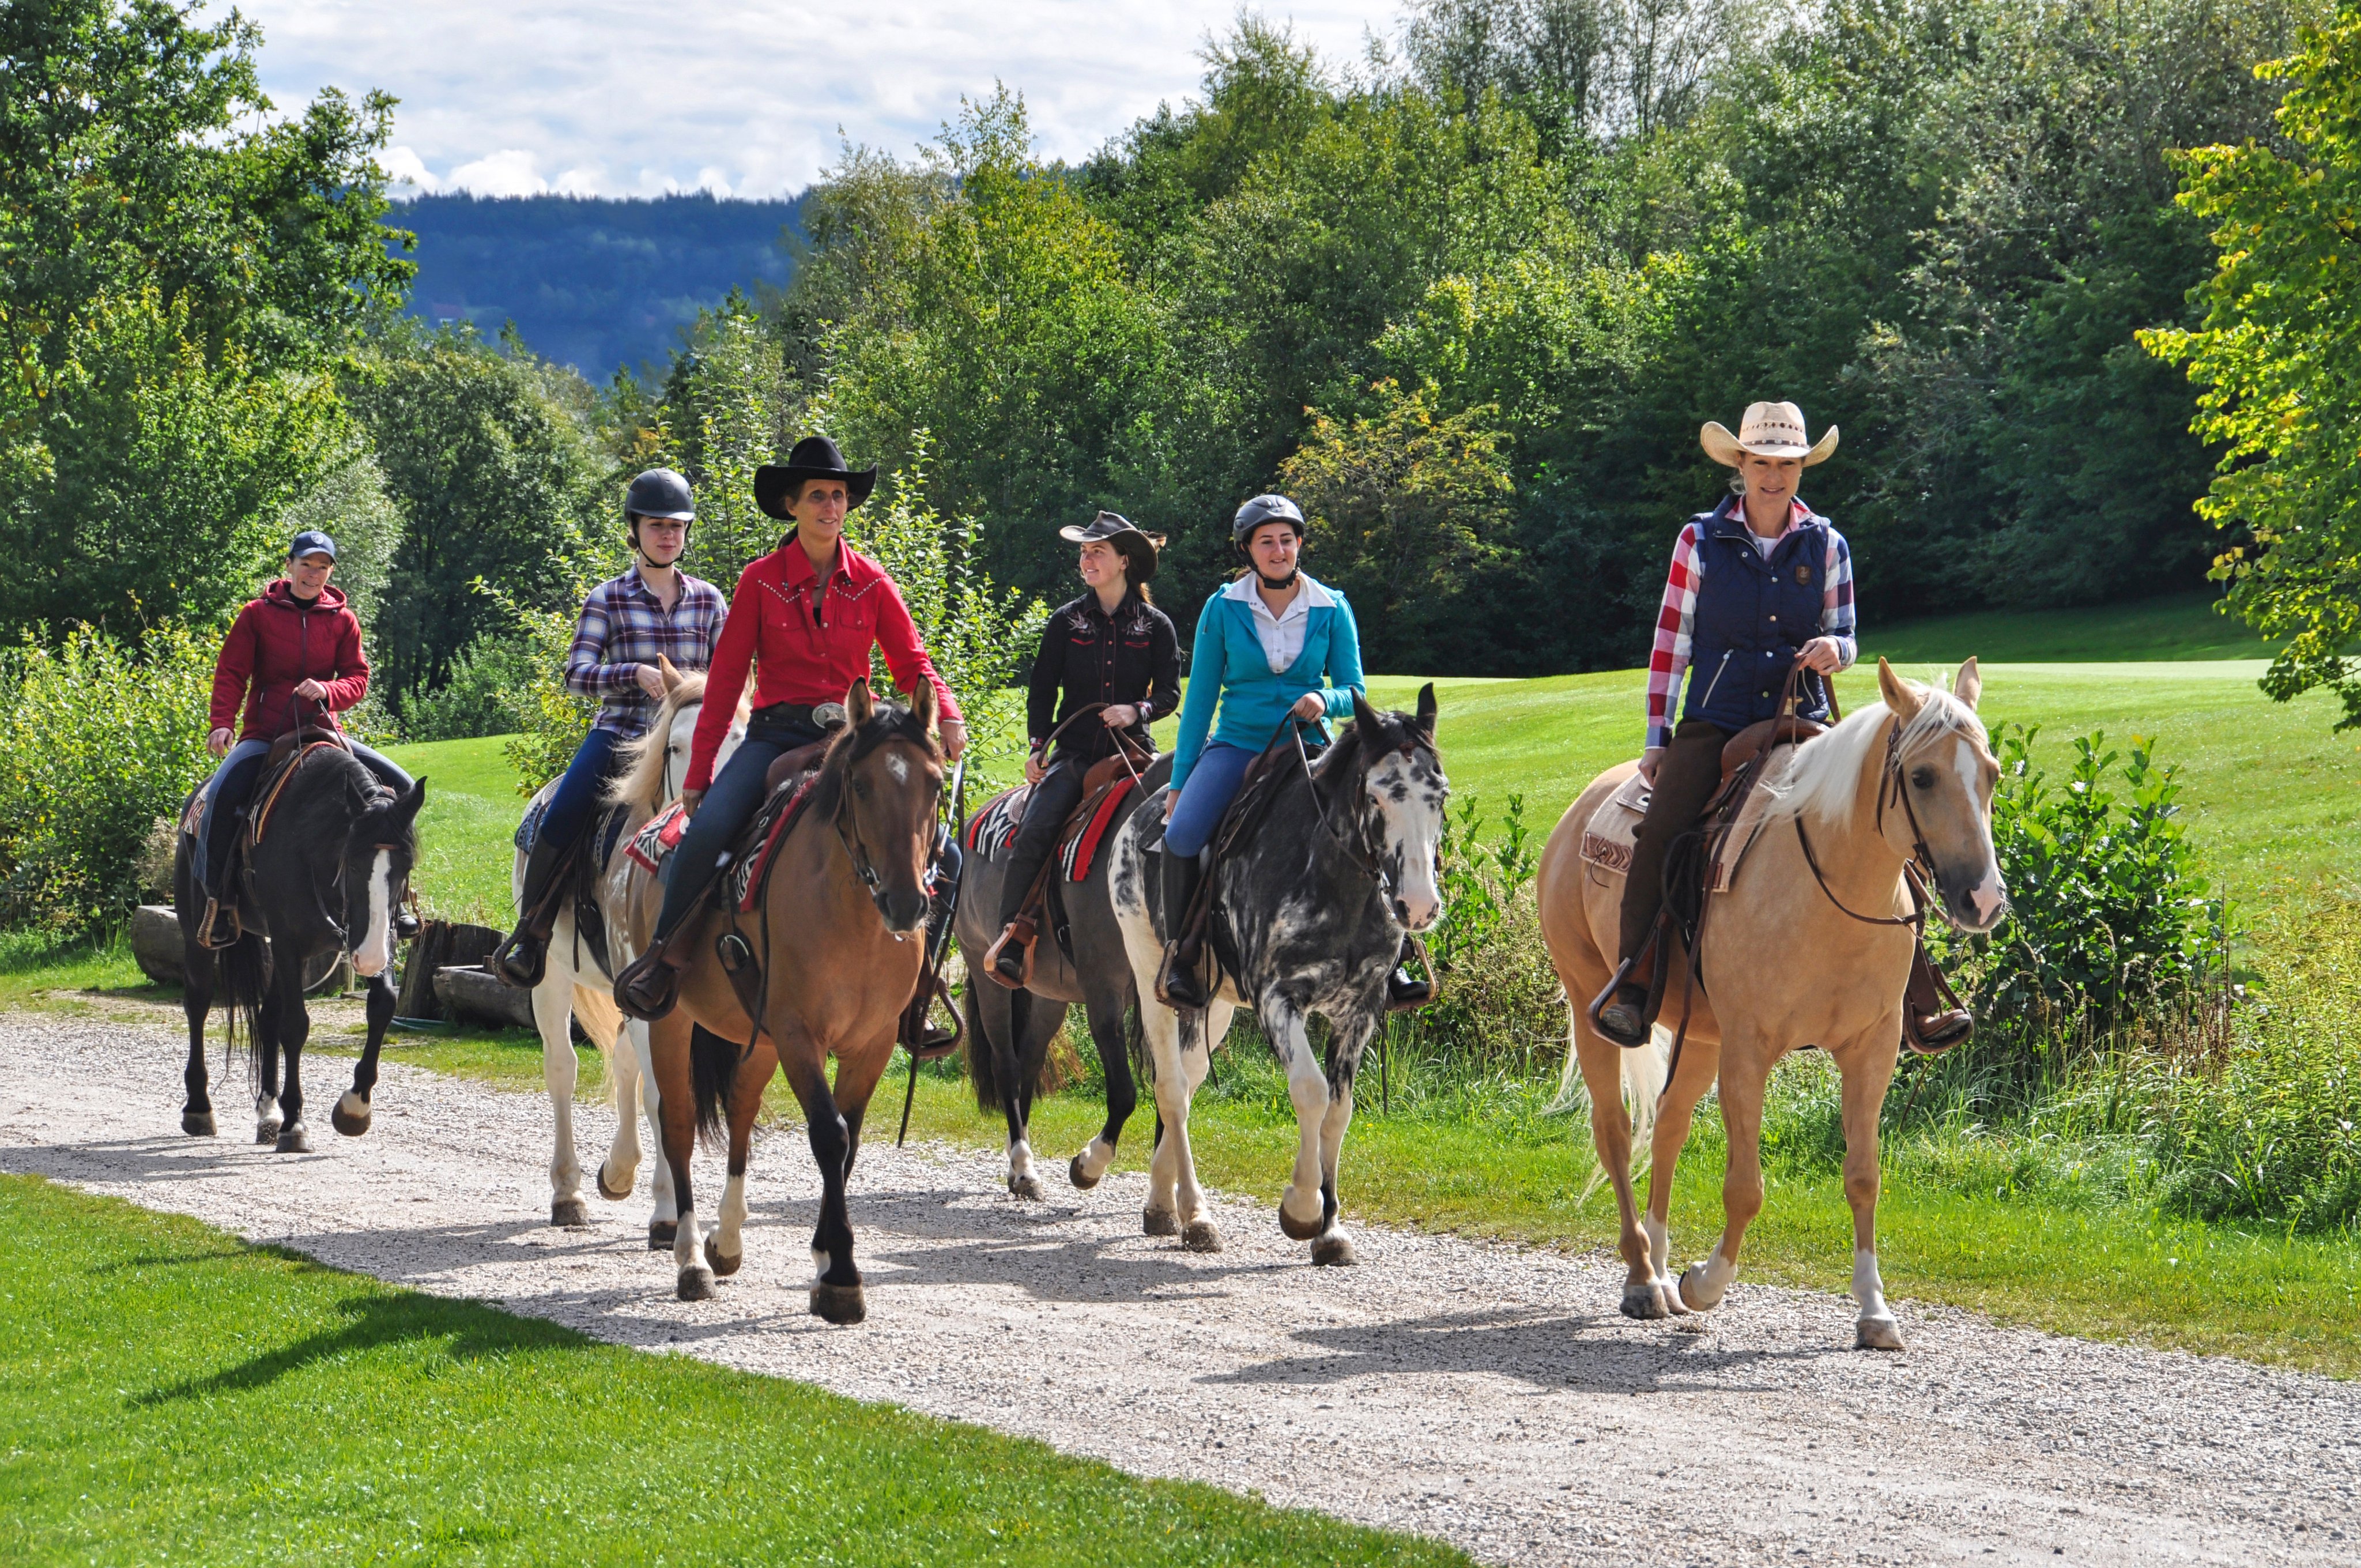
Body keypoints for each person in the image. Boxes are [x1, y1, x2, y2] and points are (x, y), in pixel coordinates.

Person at [1595, 400, 1970, 1050]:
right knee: (1663, 827)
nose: (1775, 475)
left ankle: (1917, 992)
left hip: (1806, 717)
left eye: (1788, 464)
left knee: (1887, 822)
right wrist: (1659, 740)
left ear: (1802, 469)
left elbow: (1847, 634)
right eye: (1763, 462)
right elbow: (1669, 645)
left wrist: (1836, 650)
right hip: (1715, 721)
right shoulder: (1698, 540)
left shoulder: (1827, 542)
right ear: (1740, 465)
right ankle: (1636, 984)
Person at [615, 435, 967, 1022]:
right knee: (703, 835)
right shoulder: (760, 580)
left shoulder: (874, 582)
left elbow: (913, 663)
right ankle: (665, 959)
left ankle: (920, 982)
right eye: (818, 496)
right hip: (775, 734)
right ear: (792, 505)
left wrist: (947, 711)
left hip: (856, 741)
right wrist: (699, 778)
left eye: (839, 496)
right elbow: (725, 685)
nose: (832, 507)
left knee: (948, 854)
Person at [1156, 495, 1425, 1012]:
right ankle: (1183, 956)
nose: (1279, 550)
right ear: (1248, 550)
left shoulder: (1332, 606)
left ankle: (1396, 959)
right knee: (1183, 835)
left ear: (1299, 544)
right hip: (1238, 742)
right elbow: (1200, 701)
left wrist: (1325, 698)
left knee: (1377, 823)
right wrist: (1180, 782)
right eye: (1267, 542)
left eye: (1287, 539)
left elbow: (1354, 690)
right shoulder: (1222, 608)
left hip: (1312, 746)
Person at [493, 469, 726, 987]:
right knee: (563, 812)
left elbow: (731, 675)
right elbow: (576, 676)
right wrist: (631, 674)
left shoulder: (710, 600)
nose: (668, 535)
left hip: (691, 742)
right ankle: (530, 934)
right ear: (635, 530)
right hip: (620, 736)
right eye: (656, 525)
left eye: (677, 526)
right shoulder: (607, 597)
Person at [983, 512, 1180, 986]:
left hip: (1132, 751)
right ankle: (1013, 934)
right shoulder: (1065, 620)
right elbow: (1042, 689)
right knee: (1035, 829)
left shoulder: (1156, 626)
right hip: (1073, 754)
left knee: (1177, 828)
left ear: (1123, 562)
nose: (1086, 560)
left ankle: (1181, 939)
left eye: (1097, 552)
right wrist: (1037, 748)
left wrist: (1138, 710)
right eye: (1084, 552)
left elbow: (1170, 694)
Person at [193, 530, 415, 948]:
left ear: (330, 572)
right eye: (307, 564)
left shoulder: (343, 620)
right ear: (290, 565)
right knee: (220, 795)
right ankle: (218, 900)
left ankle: (397, 900)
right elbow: (231, 672)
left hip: (324, 732)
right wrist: (221, 722)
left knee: (403, 788)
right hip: (266, 732)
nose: (314, 574)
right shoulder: (256, 615)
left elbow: (358, 677)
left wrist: (329, 691)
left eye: (323, 567)